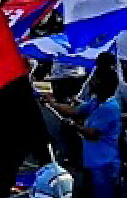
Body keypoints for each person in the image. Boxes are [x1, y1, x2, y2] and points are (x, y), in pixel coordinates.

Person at [44, 68, 122, 198]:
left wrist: (73, 125)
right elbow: (75, 111)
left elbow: (92, 134)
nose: (91, 83)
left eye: (95, 80)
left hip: (104, 167)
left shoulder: (110, 108)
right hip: (91, 164)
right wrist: (53, 104)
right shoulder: (96, 102)